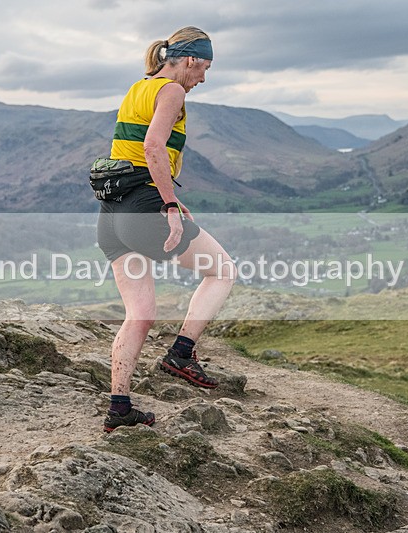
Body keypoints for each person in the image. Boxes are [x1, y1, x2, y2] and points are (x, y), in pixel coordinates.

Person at [97, 26, 237, 432]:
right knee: (223, 270)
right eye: (205, 68)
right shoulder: (172, 91)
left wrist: (168, 194)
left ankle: (119, 408)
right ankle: (182, 352)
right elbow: (153, 147)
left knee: (139, 313)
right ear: (190, 60)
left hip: (112, 215)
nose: (204, 79)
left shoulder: (138, 88)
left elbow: (132, 152)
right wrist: (169, 205)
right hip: (145, 211)